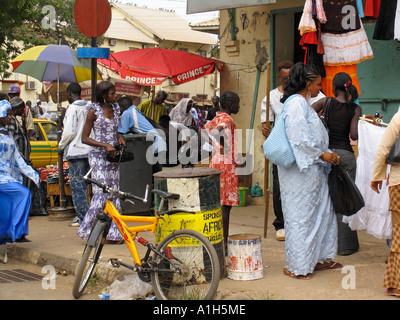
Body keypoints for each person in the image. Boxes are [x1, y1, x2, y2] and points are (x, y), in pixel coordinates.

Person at [277, 62, 342, 279]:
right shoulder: (296, 103)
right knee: (301, 218)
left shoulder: (304, 103)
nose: (319, 90)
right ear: (307, 83)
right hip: (300, 175)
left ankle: (318, 259)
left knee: (320, 215)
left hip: (314, 172)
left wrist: (324, 154)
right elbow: (299, 138)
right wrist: (322, 154)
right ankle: (297, 265)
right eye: (317, 85)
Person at [312, 72, 362, 256]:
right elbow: (354, 135)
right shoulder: (355, 109)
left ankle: (328, 245)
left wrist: (321, 121)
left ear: (334, 87)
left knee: (328, 201)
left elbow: (307, 113)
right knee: (346, 200)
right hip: (347, 157)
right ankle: (347, 247)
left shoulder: (326, 103)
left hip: (328, 157)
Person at [78, 81, 125, 243]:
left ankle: (114, 234)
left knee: (114, 193)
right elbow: (84, 138)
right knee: (101, 193)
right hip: (98, 157)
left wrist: (118, 137)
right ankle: (88, 230)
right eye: (112, 94)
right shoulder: (94, 111)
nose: (115, 96)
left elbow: (114, 129)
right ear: (104, 95)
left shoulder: (116, 108)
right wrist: (104, 144)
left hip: (112, 157)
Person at [261, 61, 293, 241]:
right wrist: (265, 129)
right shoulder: (271, 96)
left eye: (290, 77)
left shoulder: (301, 94)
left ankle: (294, 222)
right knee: (279, 187)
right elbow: (265, 123)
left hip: (297, 145)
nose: (287, 81)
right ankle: (280, 224)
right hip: (280, 145)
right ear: (279, 78)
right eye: (284, 78)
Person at [204, 91, 240, 250]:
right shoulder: (227, 119)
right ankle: (223, 243)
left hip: (215, 161)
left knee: (218, 203)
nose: (239, 106)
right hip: (225, 164)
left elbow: (206, 132)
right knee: (225, 205)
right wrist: (224, 147)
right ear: (231, 104)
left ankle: (216, 240)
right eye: (238, 103)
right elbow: (216, 132)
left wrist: (216, 147)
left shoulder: (216, 117)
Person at [0, 100, 39, 244]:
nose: (10, 117)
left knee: (17, 199)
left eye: (11, 114)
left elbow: (16, 157)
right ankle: (16, 232)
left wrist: (31, 173)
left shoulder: (7, 134)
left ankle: (16, 233)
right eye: (7, 114)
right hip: (2, 179)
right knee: (23, 194)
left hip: (8, 176)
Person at [371, 110, 400, 297]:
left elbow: (384, 148)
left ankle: (396, 283)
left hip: (398, 183)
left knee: (399, 233)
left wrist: (377, 176)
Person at [58, 82, 91, 227]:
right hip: (90, 150)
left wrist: (61, 146)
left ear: (70, 93)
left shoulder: (72, 108)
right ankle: (91, 215)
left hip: (77, 151)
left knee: (78, 186)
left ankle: (83, 217)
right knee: (92, 185)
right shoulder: (89, 105)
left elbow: (69, 132)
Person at [117, 96, 167, 171]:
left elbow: (121, 132)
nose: (118, 110)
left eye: (118, 108)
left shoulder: (127, 113)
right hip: (159, 142)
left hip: (153, 143)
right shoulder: (134, 109)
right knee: (156, 173)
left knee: (151, 173)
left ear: (122, 106)